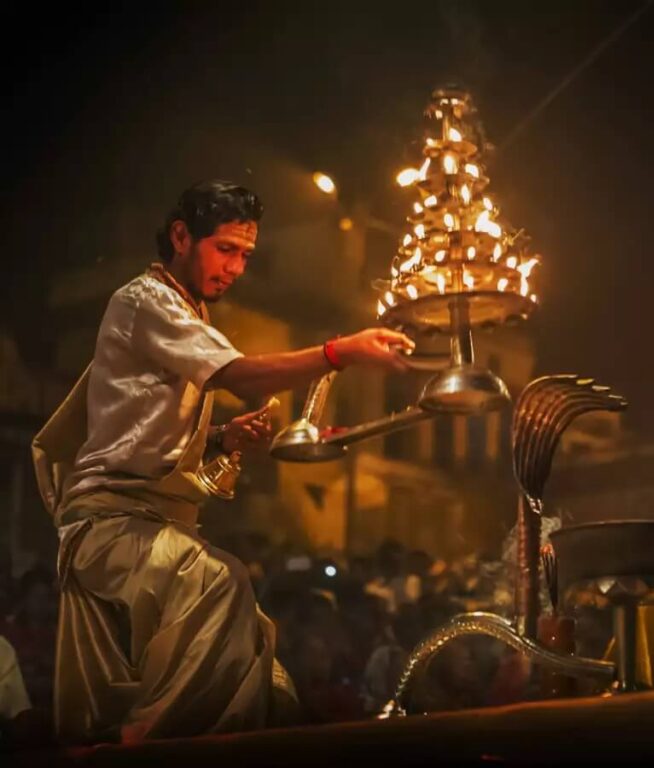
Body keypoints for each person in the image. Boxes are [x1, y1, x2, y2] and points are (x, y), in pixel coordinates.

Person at [31, 180, 413, 744]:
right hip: (109, 524)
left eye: (246, 255)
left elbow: (137, 422)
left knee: (249, 638)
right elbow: (238, 374)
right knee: (221, 584)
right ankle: (149, 746)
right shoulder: (144, 300)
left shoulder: (190, 311)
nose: (236, 267)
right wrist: (338, 352)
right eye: (225, 249)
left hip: (151, 521)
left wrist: (221, 436)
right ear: (182, 237)